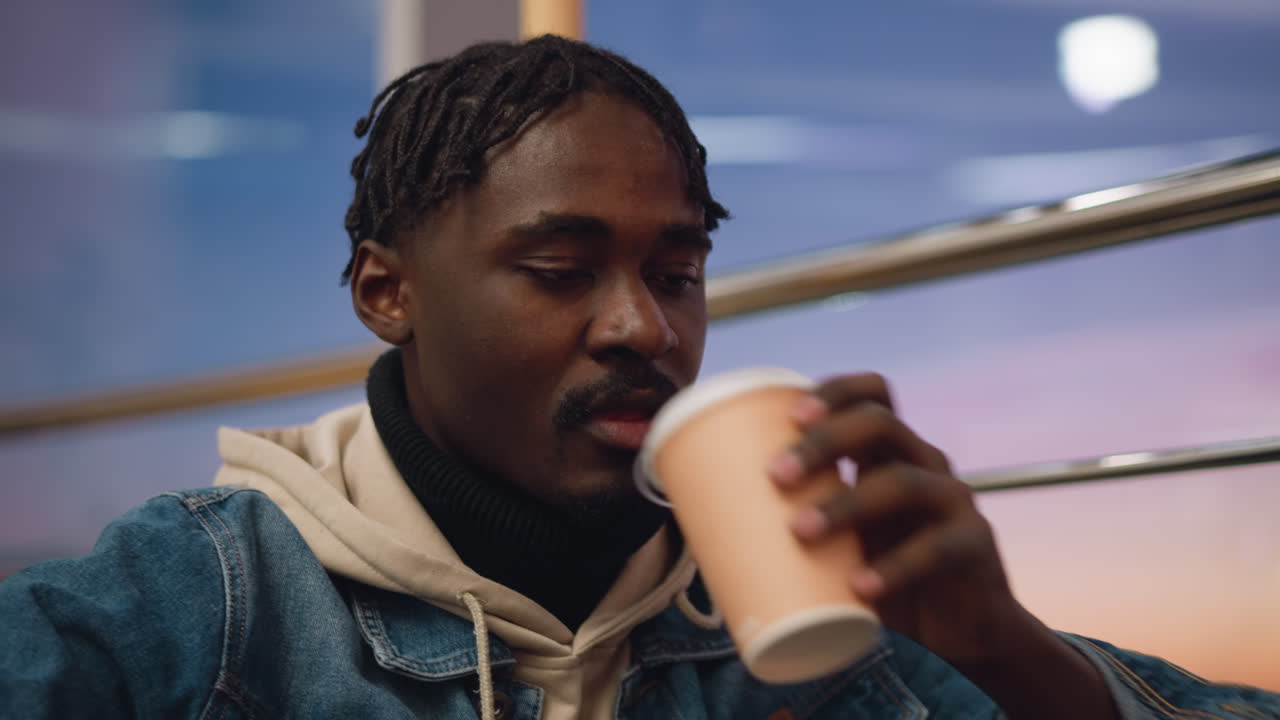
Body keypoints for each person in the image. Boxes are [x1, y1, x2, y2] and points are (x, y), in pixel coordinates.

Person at [1, 35, 1276, 720]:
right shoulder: (197, 602)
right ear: (387, 292)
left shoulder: (803, 611)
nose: (642, 330)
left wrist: (1012, 659)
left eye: (676, 272)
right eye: (560, 267)